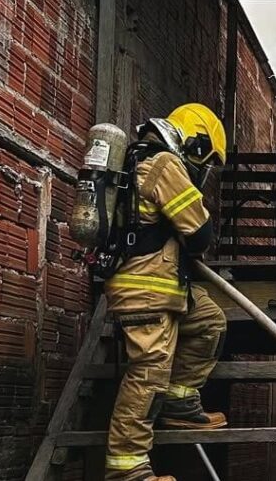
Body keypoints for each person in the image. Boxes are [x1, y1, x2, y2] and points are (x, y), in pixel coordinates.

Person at [104, 103, 228, 481]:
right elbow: (200, 233)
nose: (200, 171)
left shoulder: (142, 160)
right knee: (147, 375)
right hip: (146, 291)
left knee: (210, 322)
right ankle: (128, 469)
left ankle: (180, 402)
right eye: (204, 161)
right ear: (195, 144)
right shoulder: (164, 165)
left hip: (165, 287)